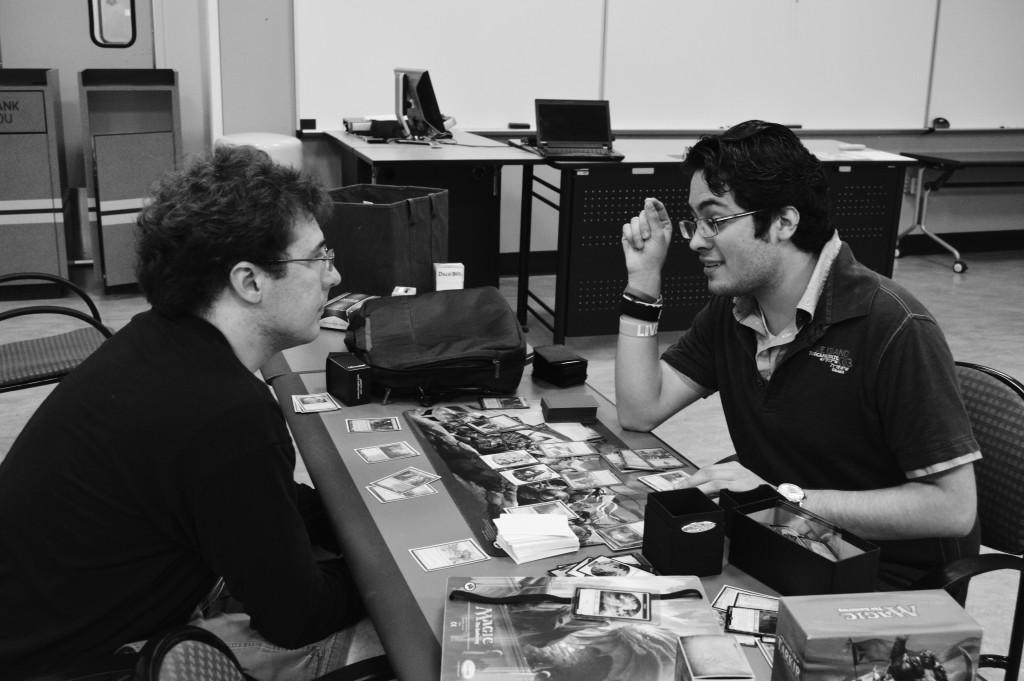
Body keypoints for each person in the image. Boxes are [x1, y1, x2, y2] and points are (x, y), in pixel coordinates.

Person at [0, 145, 382, 679]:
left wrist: (352, 519)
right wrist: (382, 568)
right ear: (249, 282)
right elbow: (298, 617)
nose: (333, 277)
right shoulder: (225, 415)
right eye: (318, 258)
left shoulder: (158, 342)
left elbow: (248, 498)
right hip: (82, 665)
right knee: (395, 638)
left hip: (33, 630)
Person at [616, 120, 979, 589]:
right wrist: (643, 283)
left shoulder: (894, 327)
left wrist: (785, 499)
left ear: (784, 222)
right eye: (695, 220)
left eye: (715, 220)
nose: (695, 239)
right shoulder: (735, 311)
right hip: (778, 543)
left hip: (879, 578)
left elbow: (953, 507)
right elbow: (640, 410)